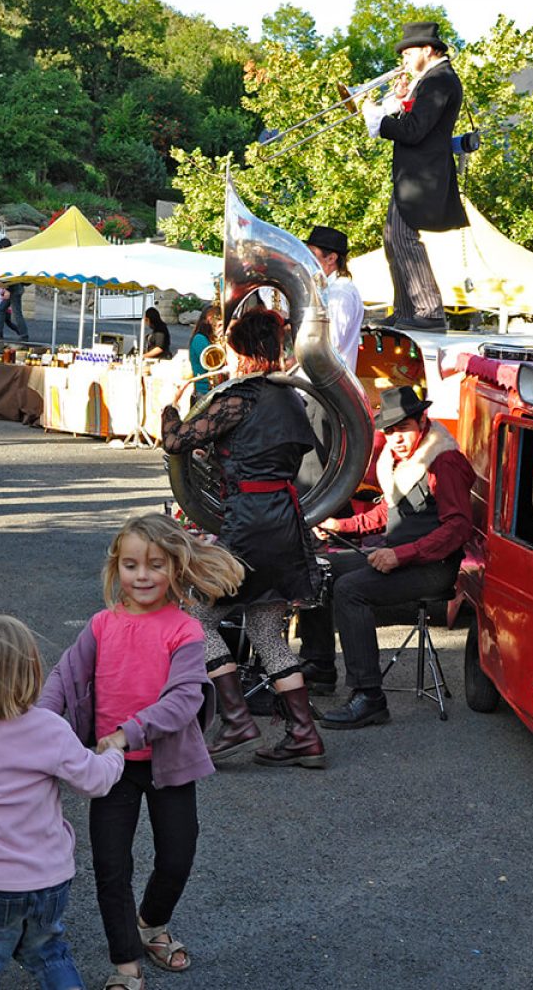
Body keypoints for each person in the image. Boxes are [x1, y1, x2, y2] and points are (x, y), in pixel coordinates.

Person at [40, 514, 243, 989]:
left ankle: (151, 922)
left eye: (154, 564)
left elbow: (184, 699)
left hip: (168, 763)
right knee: (111, 866)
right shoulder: (101, 625)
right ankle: (125, 964)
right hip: (111, 769)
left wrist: (129, 732)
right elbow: (64, 679)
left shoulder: (185, 631)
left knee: (177, 857)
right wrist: (40, 722)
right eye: (131, 565)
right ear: (117, 568)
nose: (142, 575)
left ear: (175, 567)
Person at [158, 307, 327, 768]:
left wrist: (169, 409)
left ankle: (235, 718)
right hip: (286, 524)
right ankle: (304, 735)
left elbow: (178, 443)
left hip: (249, 523)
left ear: (239, 348)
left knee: (195, 618)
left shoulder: (241, 397)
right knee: (267, 633)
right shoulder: (292, 398)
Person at [0, 613, 125, 990]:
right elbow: (93, 781)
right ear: (29, 672)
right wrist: (114, 755)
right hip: (48, 878)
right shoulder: (49, 729)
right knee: (48, 954)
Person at [313, 387, 478, 729]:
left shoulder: (444, 461)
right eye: (390, 431)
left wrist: (401, 555)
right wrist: (340, 524)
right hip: (402, 556)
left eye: (403, 428)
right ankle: (320, 667)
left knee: (350, 590)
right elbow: (390, 512)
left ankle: (369, 697)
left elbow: (459, 528)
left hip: (435, 568)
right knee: (324, 570)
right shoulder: (400, 458)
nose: (397, 439)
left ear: (422, 421)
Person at [362, 21, 467, 333]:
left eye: (408, 52)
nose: (404, 59)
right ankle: (406, 309)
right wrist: (400, 103)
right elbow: (418, 121)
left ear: (427, 49)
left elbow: (413, 130)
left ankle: (428, 310)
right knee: (393, 237)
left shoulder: (440, 80)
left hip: (424, 176)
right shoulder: (431, 80)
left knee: (405, 237)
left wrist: (377, 117)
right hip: (415, 174)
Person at [306, 225, 364, 376]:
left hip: (326, 387)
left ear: (331, 258)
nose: (306, 259)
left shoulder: (341, 291)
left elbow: (331, 342)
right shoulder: (329, 289)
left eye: (312, 254)